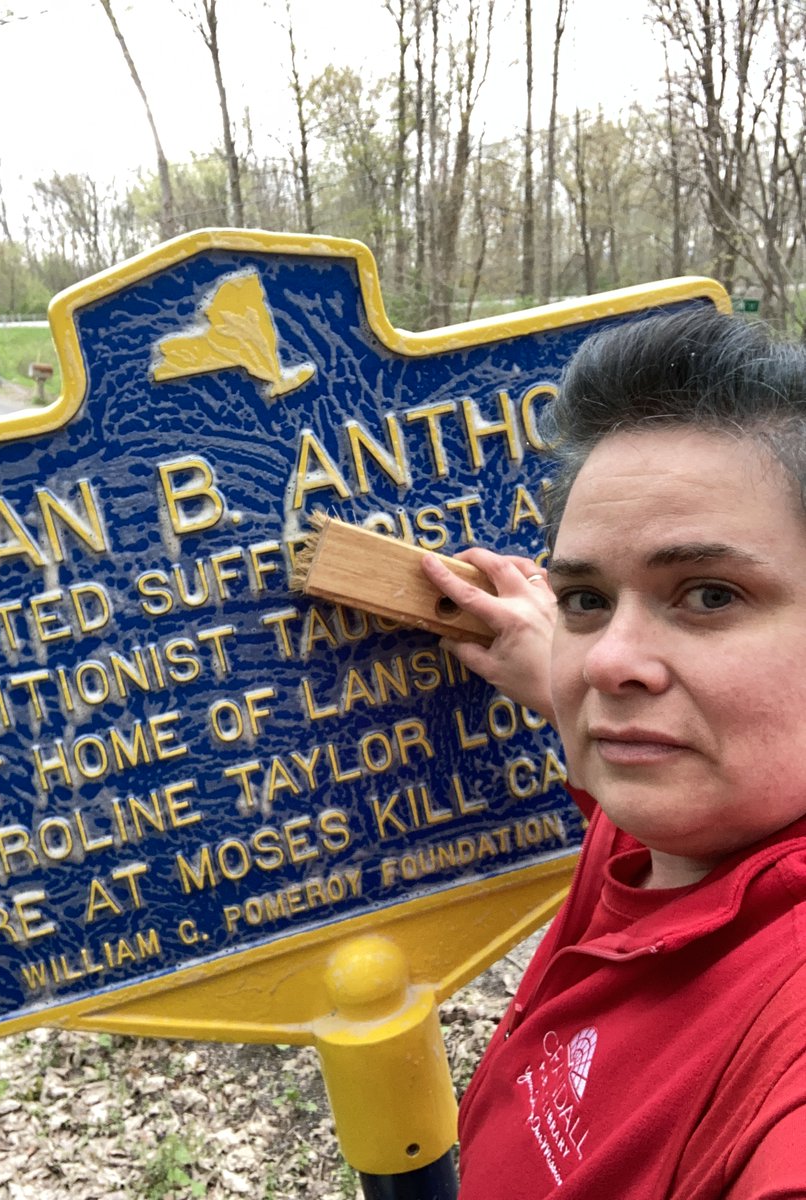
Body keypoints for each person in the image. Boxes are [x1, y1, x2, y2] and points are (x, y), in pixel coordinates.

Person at [422, 306, 806, 1199]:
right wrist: (544, 666)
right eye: (587, 598)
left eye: (709, 595)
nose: (607, 663)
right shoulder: (683, 809)